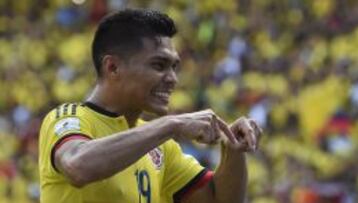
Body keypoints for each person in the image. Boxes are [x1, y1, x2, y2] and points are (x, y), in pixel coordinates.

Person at [38, 8, 262, 203]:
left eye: (174, 66)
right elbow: (78, 166)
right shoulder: (68, 118)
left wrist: (233, 151)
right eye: (159, 65)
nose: (173, 78)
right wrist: (171, 125)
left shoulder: (161, 148)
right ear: (113, 67)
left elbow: (218, 201)